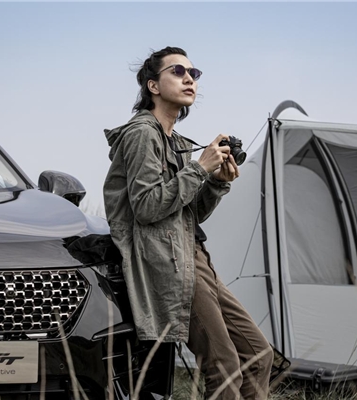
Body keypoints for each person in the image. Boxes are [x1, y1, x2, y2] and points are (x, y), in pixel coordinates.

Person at [103, 46, 273, 399]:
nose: (189, 79)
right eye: (177, 71)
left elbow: (188, 214)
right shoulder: (141, 134)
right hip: (169, 262)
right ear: (153, 85)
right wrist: (199, 168)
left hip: (194, 257)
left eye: (193, 74)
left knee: (258, 354)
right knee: (224, 363)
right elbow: (147, 207)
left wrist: (217, 181)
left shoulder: (177, 142)